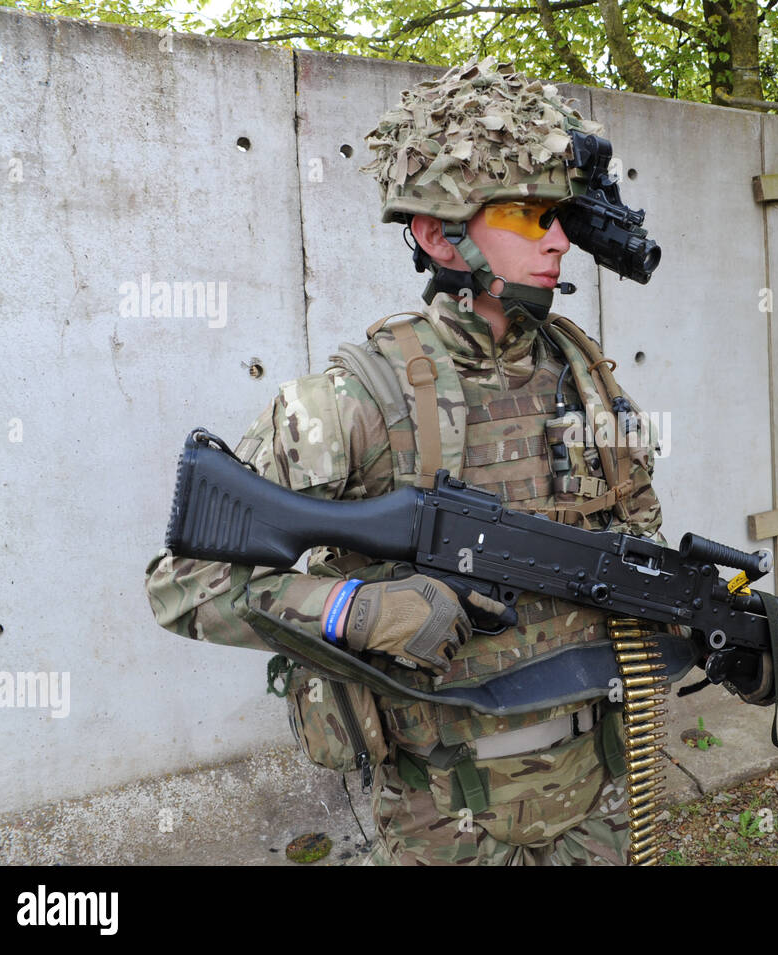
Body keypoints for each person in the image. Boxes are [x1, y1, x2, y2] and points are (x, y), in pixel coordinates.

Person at [146, 56, 688, 866]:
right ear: (440, 234)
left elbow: (635, 548)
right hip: (447, 813)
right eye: (528, 215)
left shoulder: (590, 382)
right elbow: (184, 586)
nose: (560, 239)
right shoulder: (355, 399)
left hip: (603, 792)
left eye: (561, 214)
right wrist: (364, 612)